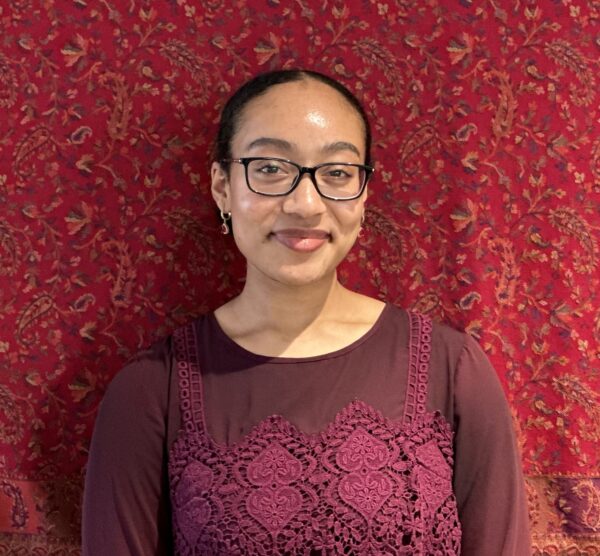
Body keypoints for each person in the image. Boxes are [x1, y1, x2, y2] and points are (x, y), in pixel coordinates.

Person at [82, 69, 531, 555]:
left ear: (363, 194)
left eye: (337, 173)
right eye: (270, 168)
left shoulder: (453, 368)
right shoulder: (152, 389)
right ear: (222, 186)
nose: (305, 204)